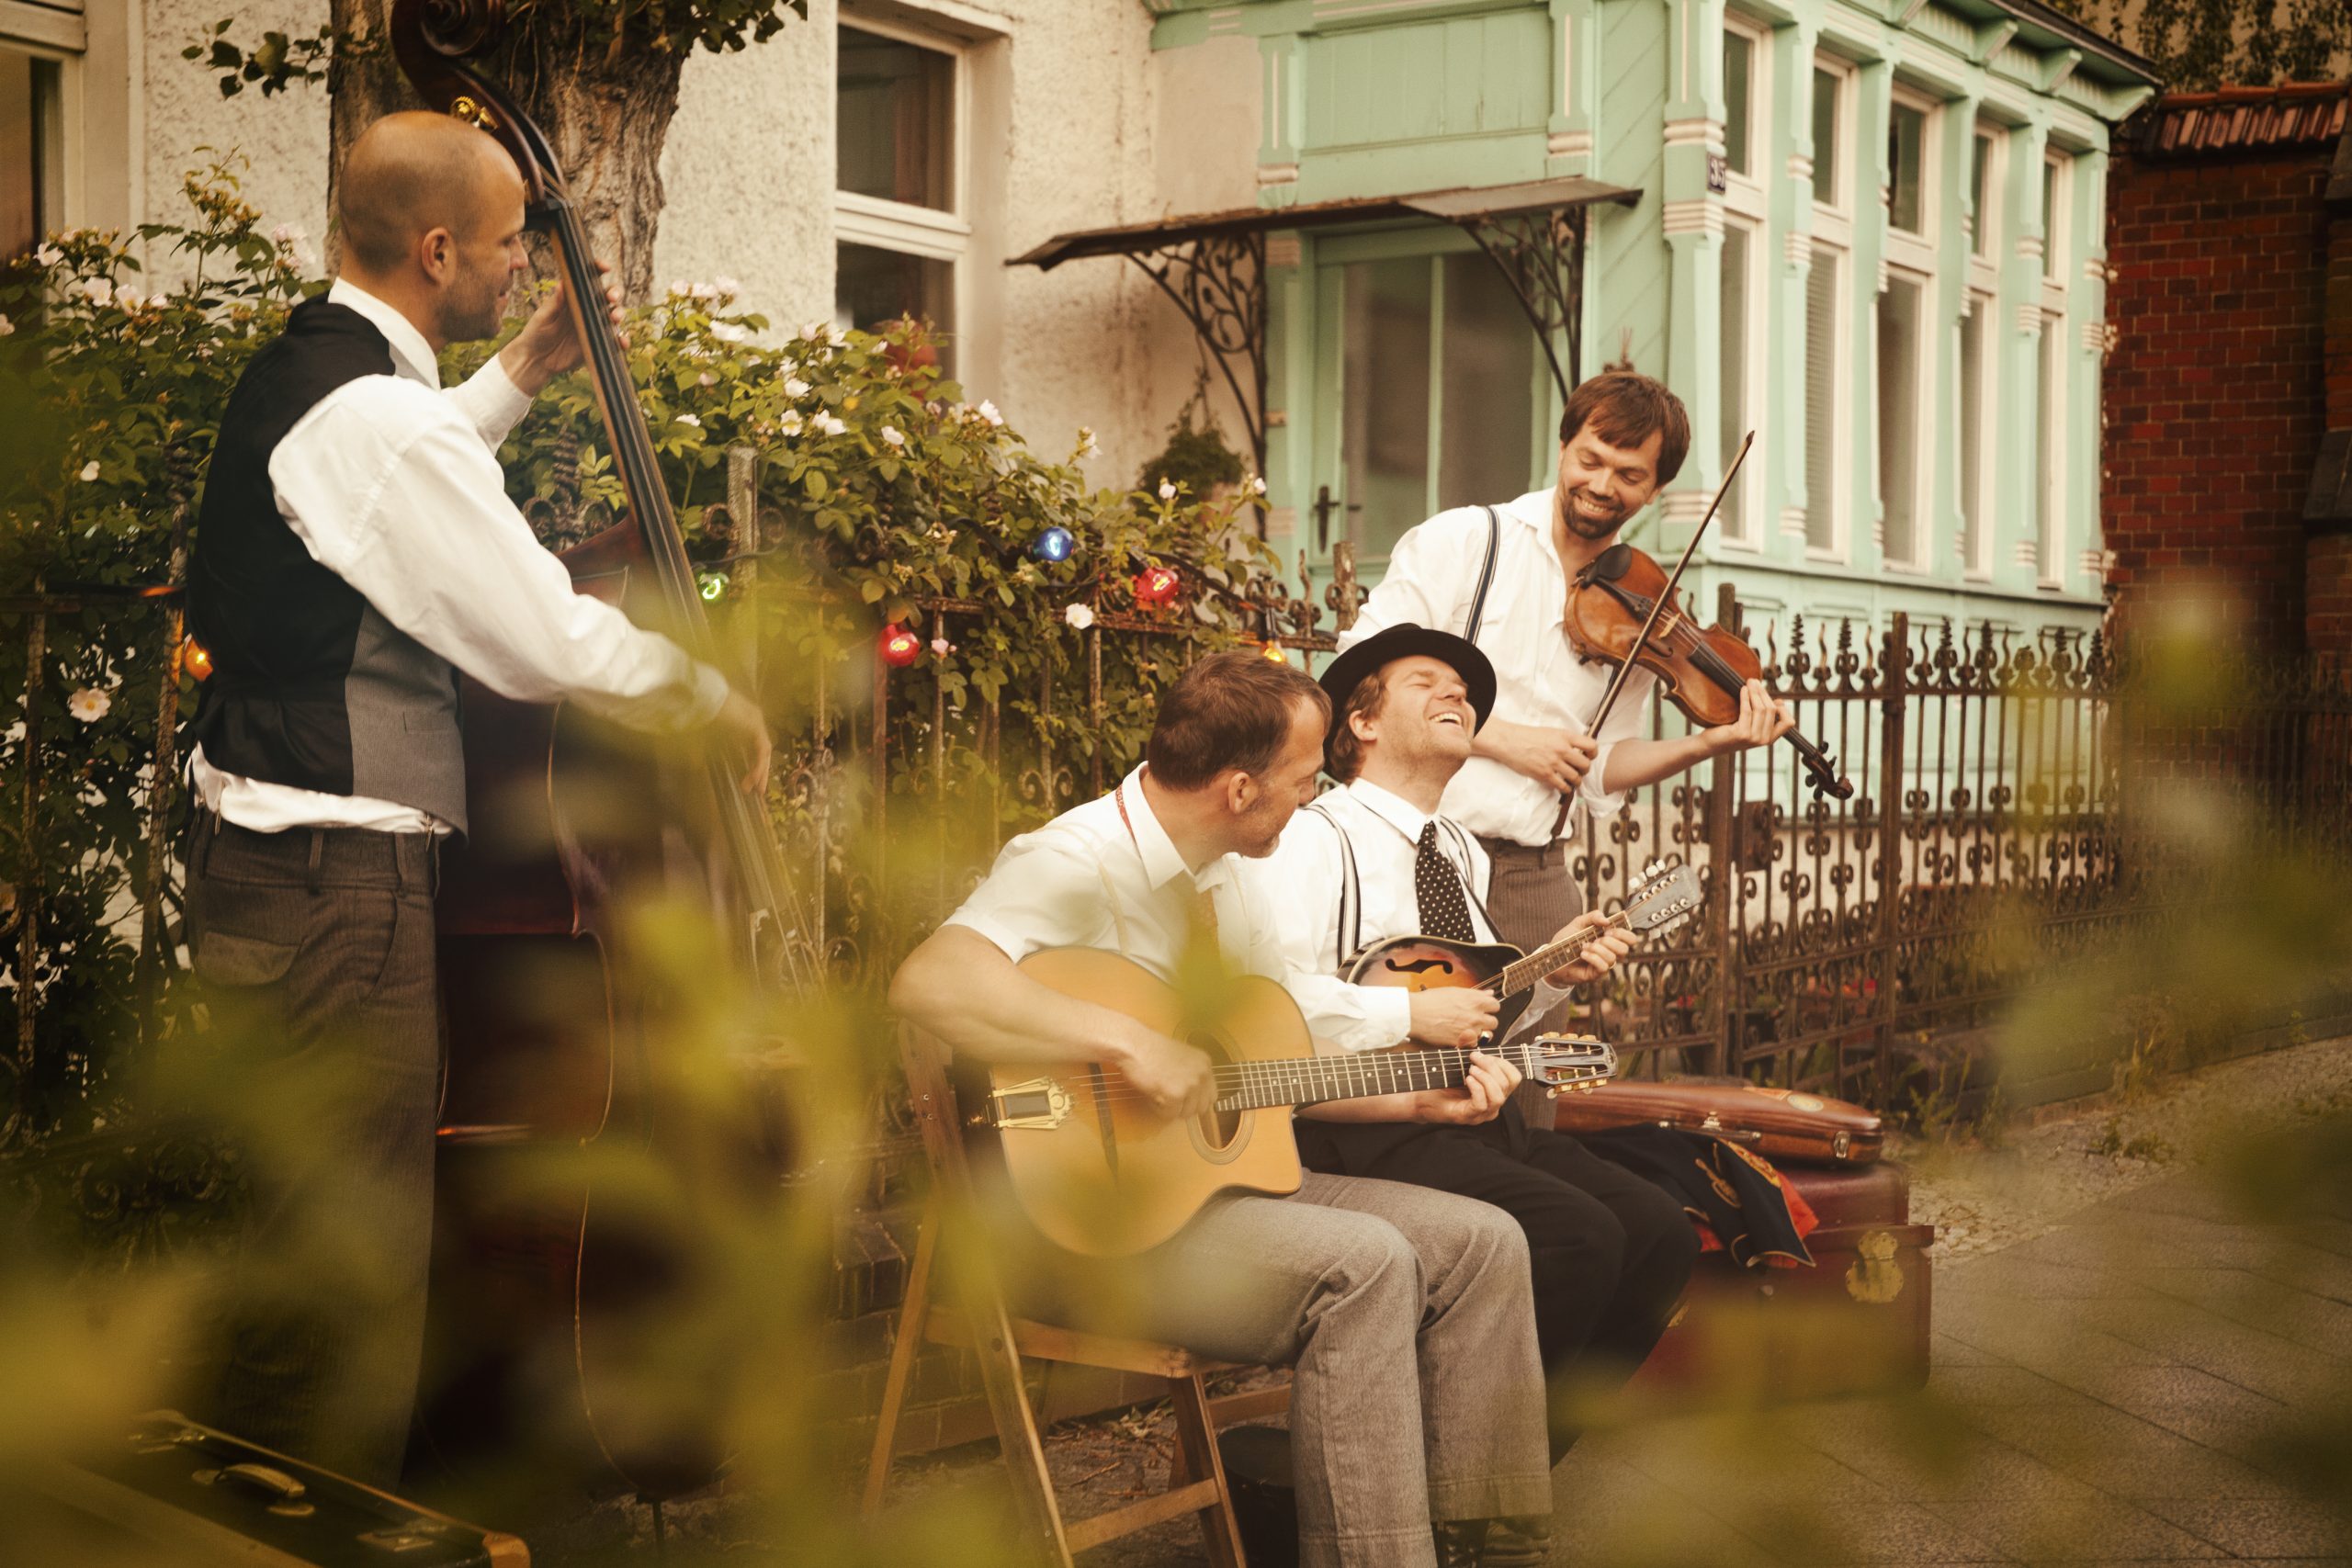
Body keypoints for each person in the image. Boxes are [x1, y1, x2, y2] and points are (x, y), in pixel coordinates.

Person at [182, 110, 769, 1488]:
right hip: (340, 888)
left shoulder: (320, 378)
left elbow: (400, 485)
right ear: (439, 247)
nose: (522, 265)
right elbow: (535, 633)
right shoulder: (371, 416)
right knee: (351, 1266)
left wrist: (529, 364)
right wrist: (706, 695)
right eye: (510, 247)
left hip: (283, 874)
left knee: (302, 1242)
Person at [890, 651, 1555, 1568]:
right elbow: (929, 982)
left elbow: (1268, 1049)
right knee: (1363, 1268)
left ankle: (1488, 1547)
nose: (1312, 797)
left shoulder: (1229, 875)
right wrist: (1124, 1041)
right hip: (1084, 1220)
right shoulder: (1072, 860)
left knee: (1485, 1243)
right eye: (1303, 779)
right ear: (1240, 788)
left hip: (1217, 1199)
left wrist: (1415, 1089)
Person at [1244, 623, 1699, 1459]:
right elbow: (1271, 997)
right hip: (1360, 1118)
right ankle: (1449, 1465)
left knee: (1662, 1229)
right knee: (1579, 1234)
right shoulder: (1315, 838)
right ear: (1363, 723)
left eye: (1465, 688)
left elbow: (1481, 1011)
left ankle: (1515, 1459)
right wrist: (1405, 1019)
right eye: (1427, 682)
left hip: (1469, 1111)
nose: (1457, 694)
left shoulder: (1458, 848)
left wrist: (1560, 974)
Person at [1340, 373, 1792, 1028]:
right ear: (1562, 447)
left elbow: (1601, 766)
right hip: (1416, 855)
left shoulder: (1645, 607)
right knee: (1412, 1088)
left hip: (1535, 880)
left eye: (1630, 475)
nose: (1604, 485)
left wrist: (1708, 742)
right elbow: (1365, 664)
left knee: (1526, 1100)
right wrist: (1500, 737)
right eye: (1591, 460)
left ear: (1656, 489)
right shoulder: (1465, 541)